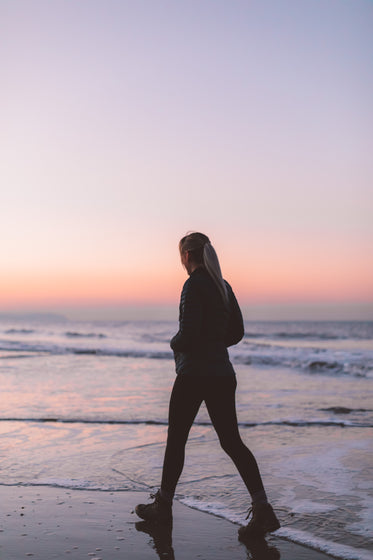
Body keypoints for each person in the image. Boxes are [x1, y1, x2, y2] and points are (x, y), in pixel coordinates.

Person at [135, 232, 280, 539]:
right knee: (232, 442)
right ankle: (263, 508)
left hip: (193, 375)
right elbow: (237, 332)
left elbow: (187, 334)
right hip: (223, 375)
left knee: (176, 441)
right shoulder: (222, 285)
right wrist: (215, 345)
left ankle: (164, 508)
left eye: (181, 255)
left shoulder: (193, 284)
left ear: (187, 255)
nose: (181, 261)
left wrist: (174, 343)